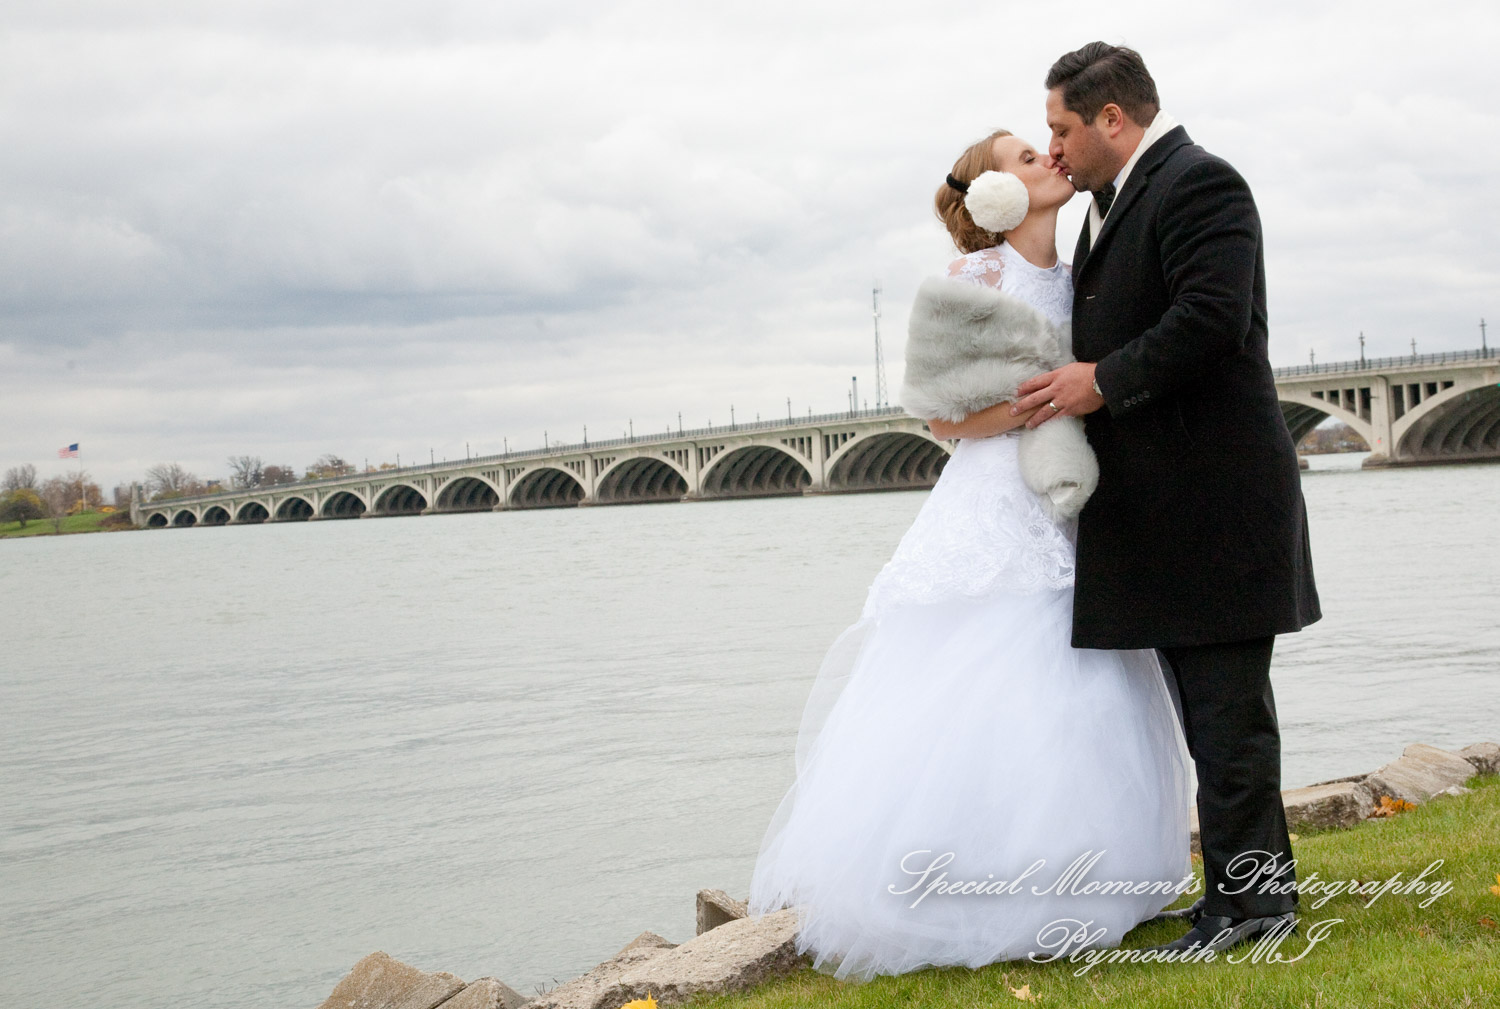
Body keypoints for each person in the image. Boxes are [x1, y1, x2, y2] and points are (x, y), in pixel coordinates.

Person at [745, 128, 1193, 982]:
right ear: (994, 194)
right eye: (1028, 157)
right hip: (993, 505)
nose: (1049, 159)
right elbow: (941, 419)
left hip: (1073, 503)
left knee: (1090, 694)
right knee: (994, 683)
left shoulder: (1085, 273)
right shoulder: (974, 278)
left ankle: (1099, 881)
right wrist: (1036, 408)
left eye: (1047, 147)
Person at [1008, 42, 1322, 954]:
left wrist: (1098, 380)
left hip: (1214, 505)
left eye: (1062, 127)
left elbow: (1211, 320)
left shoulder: (1200, 183)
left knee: (1229, 719)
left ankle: (1258, 909)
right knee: (1206, 718)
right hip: (1166, 512)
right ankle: (1233, 898)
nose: (1054, 147)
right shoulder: (1106, 208)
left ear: (1114, 119)